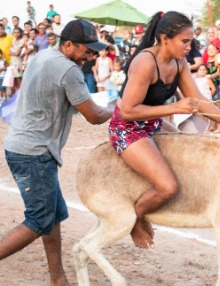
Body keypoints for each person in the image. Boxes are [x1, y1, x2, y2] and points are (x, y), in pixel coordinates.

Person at [108, 11, 220, 249]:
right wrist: (176, 107)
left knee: (189, 151)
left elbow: (198, 100)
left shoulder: (178, 63)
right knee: (168, 187)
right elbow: (127, 111)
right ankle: (135, 220)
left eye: (192, 41)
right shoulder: (144, 62)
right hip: (127, 128)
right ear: (165, 39)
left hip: (153, 123)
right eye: (185, 41)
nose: (190, 47)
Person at [1, 19, 112, 285]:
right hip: (34, 153)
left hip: (24, 146)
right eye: (86, 49)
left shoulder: (44, 55)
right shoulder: (69, 71)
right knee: (40, 220)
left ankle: (57, 278)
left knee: (53, 215)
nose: (91, 55)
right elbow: (95, 116)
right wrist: (118, 108)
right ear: (69, 44)